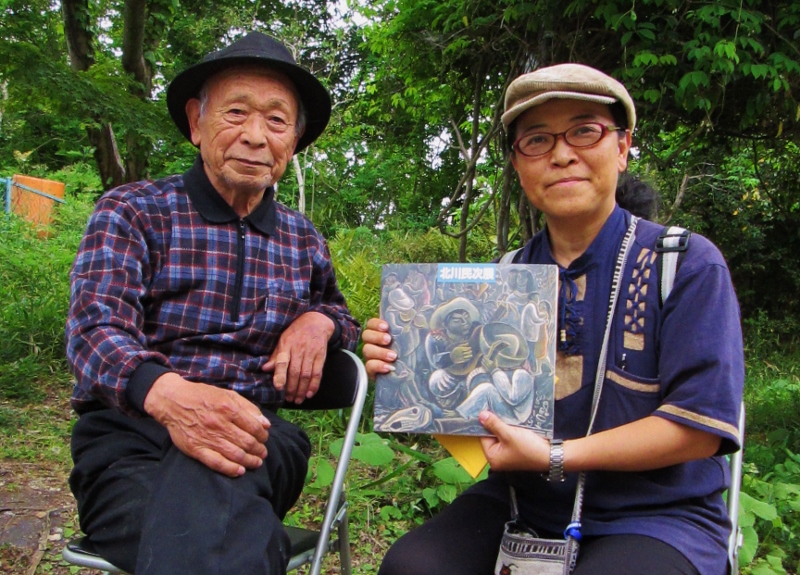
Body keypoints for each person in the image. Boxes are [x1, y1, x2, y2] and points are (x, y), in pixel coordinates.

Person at [362, 63, 744, 575]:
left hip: (657, 515)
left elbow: (699, 430)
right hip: (522, 506)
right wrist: (408, 372)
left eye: (585, 131)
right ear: (518, 166)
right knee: (413, 567)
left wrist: (556, 455)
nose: (562, 154)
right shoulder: (503, 280)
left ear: (623, 146)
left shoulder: (682, 263)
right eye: (537, 140)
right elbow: (475, 426)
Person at [65, 32, 359, 575]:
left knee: (218, 482)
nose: (254, 136)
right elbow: (93, 330)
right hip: (130, 439)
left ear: (292, 142)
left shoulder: (302, 237)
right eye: (236, 113)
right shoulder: (134, 212)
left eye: (276, 120)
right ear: (197, 123)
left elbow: (345, 319)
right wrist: (173, 398)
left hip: (261, 438)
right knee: (230, 533)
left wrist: (320, 323)